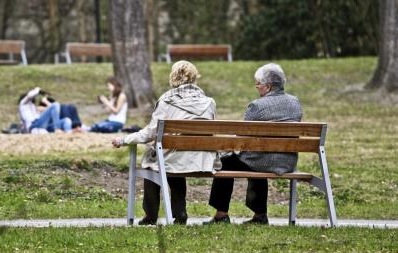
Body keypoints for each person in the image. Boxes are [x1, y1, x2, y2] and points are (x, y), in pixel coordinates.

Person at [111, 61, 220, 225]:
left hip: (175, 158)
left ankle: (151, 215)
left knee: (155, 162)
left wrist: (124, 139)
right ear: (194, 77)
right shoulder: (209, 102)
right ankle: (180, 212)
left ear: (173, 77)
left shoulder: (167, 101)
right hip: (203, 159)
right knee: (174, 161)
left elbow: (150, 132)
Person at [205, 63, 302, 225]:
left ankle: (221, 215)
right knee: (258, 158)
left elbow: (241, 137)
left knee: (225, 162)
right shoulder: (295, 102)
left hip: (261, 160)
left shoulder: (257, 106)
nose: (257, 87)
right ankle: (260, 215)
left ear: (268, 86)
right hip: (286, 161)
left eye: (258, 84)